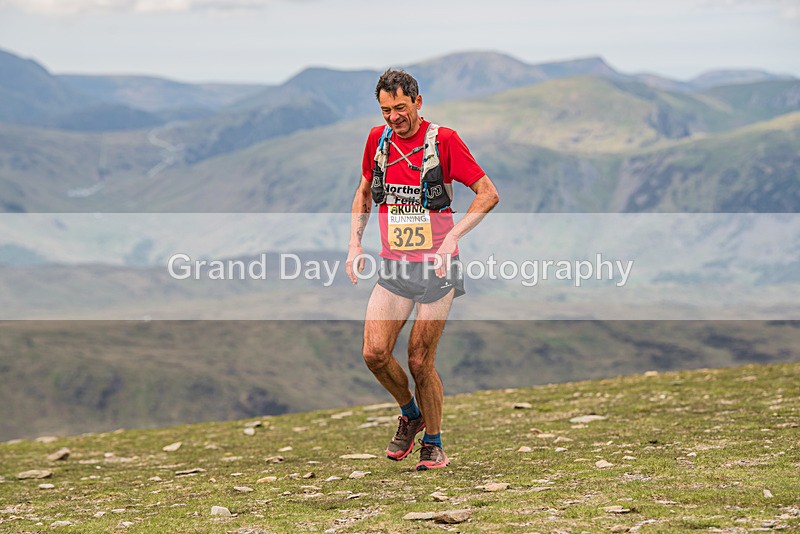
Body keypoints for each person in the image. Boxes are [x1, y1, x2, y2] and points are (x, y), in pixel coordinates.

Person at [346, 69, 499, 471]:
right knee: (374, 353)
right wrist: (355, 243)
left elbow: (488, 193)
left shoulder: (443, 140)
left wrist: (453, 237)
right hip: (395, 266)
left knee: (419, 361)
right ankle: (410, 413)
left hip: (438, 268)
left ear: (417, 101)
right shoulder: (376, 142)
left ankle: (434, 443)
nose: (393, 117)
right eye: (385, 110)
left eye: (399, 107)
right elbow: (364, 192)